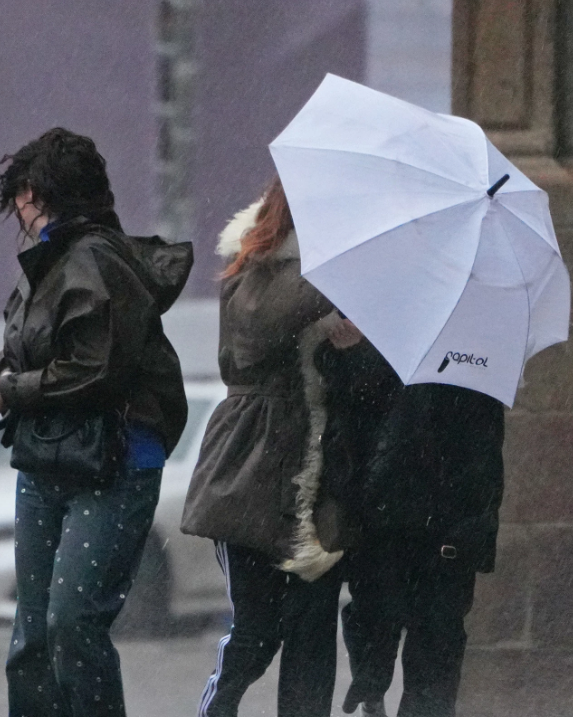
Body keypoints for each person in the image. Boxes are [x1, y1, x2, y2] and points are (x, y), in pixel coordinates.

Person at [0, 127, 192, 717]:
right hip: (49, 460)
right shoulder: (44, 263)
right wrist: (6, 378)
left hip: (114, 463)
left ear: (41, 192)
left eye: (22, 192)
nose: (17, 207)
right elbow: (29, 351)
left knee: (71, 625)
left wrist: (13, 390)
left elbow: (97, 370)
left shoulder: (95, 259)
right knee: (33, 639)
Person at [180, 178, 362, 717]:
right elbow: (259, 328)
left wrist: (346, 351)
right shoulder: (252, 261)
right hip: (253, 466)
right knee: (257, 631)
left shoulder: (342, 278)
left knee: (311, 636)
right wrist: (337, 277)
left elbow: (363, 387)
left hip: (321, 474)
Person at [340, 383, 505, 717]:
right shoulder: (390, 362)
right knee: (376, 618)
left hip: (442, 526)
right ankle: (372, 687)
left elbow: (484, 462)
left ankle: (382, 690)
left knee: (436, 641)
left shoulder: (476, 379)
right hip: (393, 520)